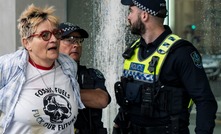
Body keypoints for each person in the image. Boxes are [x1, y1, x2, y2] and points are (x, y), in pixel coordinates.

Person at [113, 0, 218, 134]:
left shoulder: (181, 52)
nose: (128, 17)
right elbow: (130, 98)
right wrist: (118, 125)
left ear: (144, 15)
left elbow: (205, 102)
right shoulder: (133, 50)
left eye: (131, 11)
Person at [0, 4, 84, 134]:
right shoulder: (8, 66)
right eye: (45, 35)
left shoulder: (68, 65)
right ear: (27, 43)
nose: (54, 39)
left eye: (56, 33)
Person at [59, 22, 111, 134]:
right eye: (70, 39)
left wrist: (59, 93)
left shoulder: (91, 74)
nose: (76, 45)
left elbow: (102, 100)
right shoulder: (48, 74)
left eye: (79, 40)